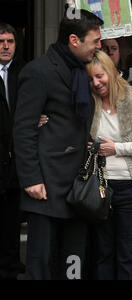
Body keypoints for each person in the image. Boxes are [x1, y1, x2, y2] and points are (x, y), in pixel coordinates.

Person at [13, 9, 103, 280]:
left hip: (78, 188)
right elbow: (23, 129)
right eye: (95, 41)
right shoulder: (38, 71)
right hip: (45, 186)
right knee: (40, 263)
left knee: (73, 263)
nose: (99, 46)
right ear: (74, 40)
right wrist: (30, 179)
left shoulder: (85, 71)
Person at [86, 50, 132, 280]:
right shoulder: (88, 102)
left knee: (129, 256)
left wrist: (117, 148)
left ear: (111, 71)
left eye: (99, 76)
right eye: (90, 79)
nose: (96, 83)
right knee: (102, 255)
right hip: (99, 188)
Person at [0, 22, 25, 280]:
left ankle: (12, 261)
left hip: (16, 158)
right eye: (1, 41)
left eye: (10, 41)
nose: (6, 46)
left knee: (13, 217)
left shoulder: (24, 72)